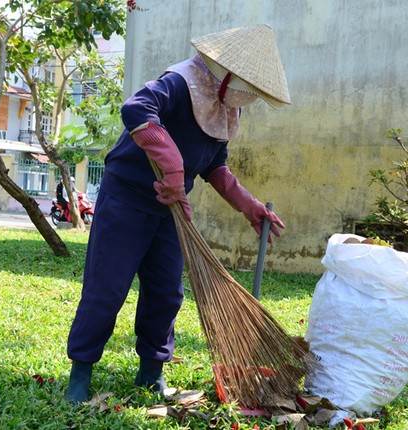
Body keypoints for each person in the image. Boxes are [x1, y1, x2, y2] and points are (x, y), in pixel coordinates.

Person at [65, 24, 291, 404]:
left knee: (166, 292)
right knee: (108, 288)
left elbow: (215, 166)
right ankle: (80, 374)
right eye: (247, 85)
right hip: (127, 198)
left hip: (171, 210)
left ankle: (151, 373)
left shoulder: (225, 109)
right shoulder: (180, 81)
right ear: (225, 72)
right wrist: (170, 162)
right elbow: (136, 108)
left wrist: (247, 204)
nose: (248, 96)